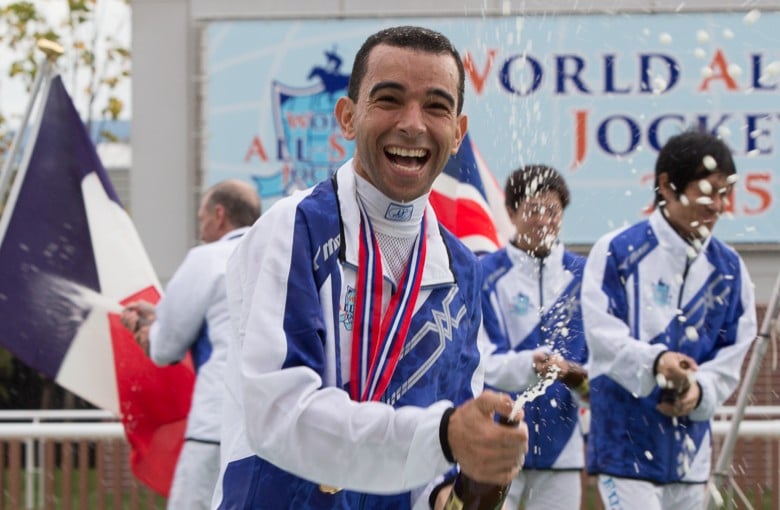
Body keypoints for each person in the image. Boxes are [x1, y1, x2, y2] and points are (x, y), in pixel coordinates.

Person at [212, 25, 528, 510]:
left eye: (436, 107)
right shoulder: (295, 228)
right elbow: (279, 413)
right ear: (348, 116)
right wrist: (445, 436)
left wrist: (462, 487)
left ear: (458, 133)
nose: (413, 124)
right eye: (389, 99)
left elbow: (439, 462)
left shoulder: (462, 270)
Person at [581, 128, 757, 509]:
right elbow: (601, 337)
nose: (718, 206)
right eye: (708, 191)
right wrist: (657, 362)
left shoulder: (730, 271)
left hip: (689, 457)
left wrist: (698, 393)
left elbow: (731, 357)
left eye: (725, 194)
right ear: (666, 185)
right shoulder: (618, 251)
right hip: (623, 445)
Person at [120, 179, 261, 510]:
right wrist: (160, 315)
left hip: (215, 423)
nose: (201, 230)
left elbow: (166, 347)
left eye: (202, 220)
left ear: (219, 214)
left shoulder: (207, 258)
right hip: (270, 430)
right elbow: (231, 320)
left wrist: (146, 330)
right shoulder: (279, 256)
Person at [479, 164, 588, 510]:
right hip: (499, 440)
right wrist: (530, 364)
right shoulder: (485, 274)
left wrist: (575, 375)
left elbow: (599, 364)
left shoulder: (584, 276)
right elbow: (480, 363)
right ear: (511, 212)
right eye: (533, 210)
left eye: (552, 211)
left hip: (563, 447)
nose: (543, 220)